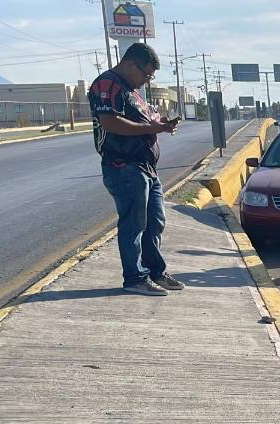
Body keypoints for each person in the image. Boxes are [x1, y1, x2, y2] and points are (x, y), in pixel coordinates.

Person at [88, 42, 182, 296]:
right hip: (124, 167)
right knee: (134, 225)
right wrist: (153, 129)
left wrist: (160, 123)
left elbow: (145, 118)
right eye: (146, 74)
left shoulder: (133, 90)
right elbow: (111, 122)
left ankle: (155, 272)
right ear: (130, 64)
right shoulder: (107, 84)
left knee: (155, 222)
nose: (146, 80)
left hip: (147, 168)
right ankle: (134, 278)